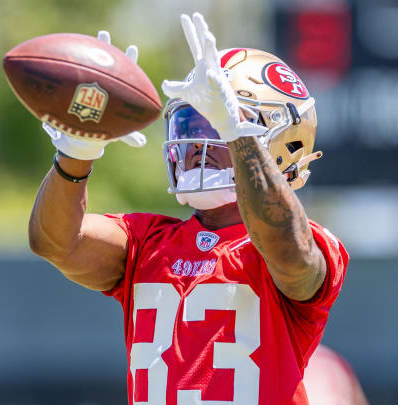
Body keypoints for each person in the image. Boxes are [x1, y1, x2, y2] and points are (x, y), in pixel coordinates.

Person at [29, 12, 348, 405]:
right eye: (189, 127)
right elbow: (57, 243)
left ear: (281, 142)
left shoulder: (304, 242)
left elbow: (288, 251)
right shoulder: (146, 242)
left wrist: (237, 133)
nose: (197, 144)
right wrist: (75, 153)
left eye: (212, 126)